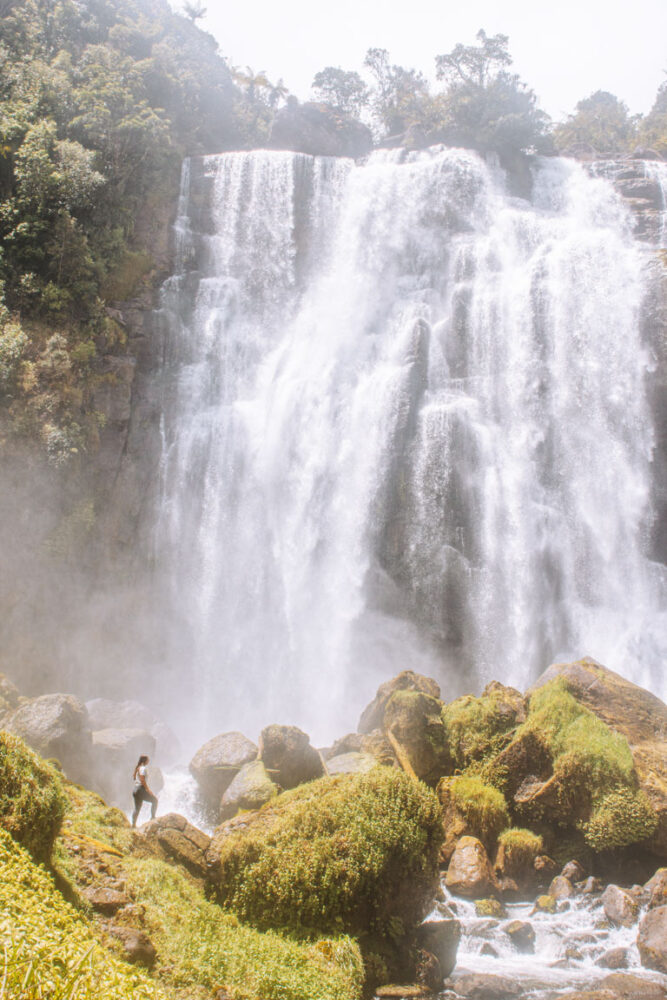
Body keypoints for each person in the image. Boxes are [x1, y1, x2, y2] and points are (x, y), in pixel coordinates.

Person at [131, 754, 158, 827]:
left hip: (135, 790)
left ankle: (133, 825)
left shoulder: (138, 768)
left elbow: (134, 778)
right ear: (145, 760)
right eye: (148, 760)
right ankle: (153, 817)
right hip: (140, 789)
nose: (149, 761)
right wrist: (147, 789)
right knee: (155, 800)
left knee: (137, 808)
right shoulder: (142, 768)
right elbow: (142, 779)